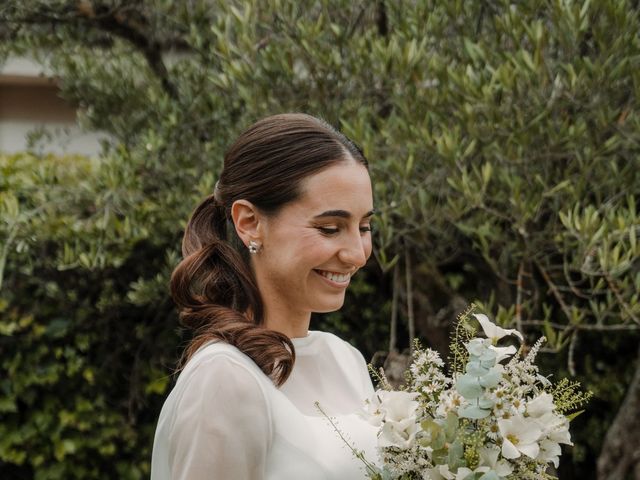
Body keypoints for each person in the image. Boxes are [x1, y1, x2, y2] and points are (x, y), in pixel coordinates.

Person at [150, 113, 379, 479]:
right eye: (330, 228)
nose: (356, 253)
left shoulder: (345, 360)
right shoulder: (224, 379)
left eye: (364, 226)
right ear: (249, 223)